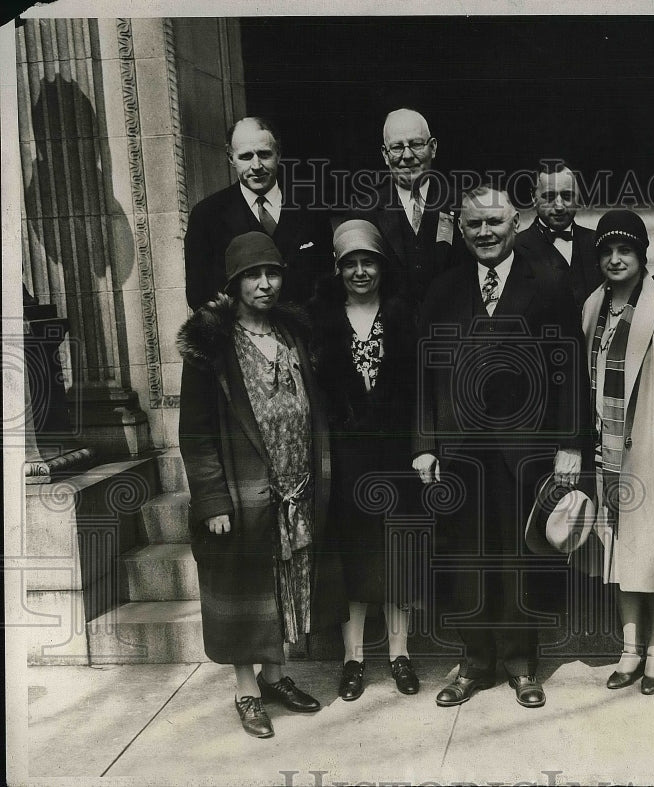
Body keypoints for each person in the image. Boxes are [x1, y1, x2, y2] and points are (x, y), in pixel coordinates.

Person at [413, 185, 589, 709]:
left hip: (525, 450)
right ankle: (474, 662)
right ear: (461, 230)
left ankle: (520, 663)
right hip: (461, 451)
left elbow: (570, 371)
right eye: (474, 225)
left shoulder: (551, 284)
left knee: (518, 556)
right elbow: (425, 372)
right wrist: (425, 444)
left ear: (516, 224)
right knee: (465, 556)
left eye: (494, 223)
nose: (484, 233)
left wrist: (571, 443)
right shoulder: (443, 290)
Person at [177, 231, 347, 737]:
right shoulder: (212, 346)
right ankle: (246, 690)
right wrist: (212, 500)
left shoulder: (295, 334)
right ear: (234, 284)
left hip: (297, 488)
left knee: (287, 587)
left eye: (272, 273)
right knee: (246, 590)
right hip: (244, 494)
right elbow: (196, 432)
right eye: (253, 275)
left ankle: (277, 678)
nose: (265, 284)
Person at [581, 210, 654, 696]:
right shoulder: (593, 304)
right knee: (621, 551)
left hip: (651, 448)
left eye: (624, 250)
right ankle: (629, 647)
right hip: (607, 451)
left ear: (642, 255)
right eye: (607, 251)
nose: (615, 259)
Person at [309, 219, 421, 700]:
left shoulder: (404, 315)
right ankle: (353, 659)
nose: (360, 271)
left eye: (367, 261)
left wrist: (421, 447)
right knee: (352, 559)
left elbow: (421, 391)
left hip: (397, 455)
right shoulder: (319, 320)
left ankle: (401, 654)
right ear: (337, 268)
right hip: (347, 456)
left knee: (399, 557)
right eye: (350, 263)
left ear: (381, 264)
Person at [184, 116, 332, 309]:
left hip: (305, 334)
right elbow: (199, 295)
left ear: (278, 154)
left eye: (264, 154)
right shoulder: (207, 215)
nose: (256, 166)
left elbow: (327, 281)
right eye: (246, 156)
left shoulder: (311, 208)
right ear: (231, 158)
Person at [356, 108, 462, 305]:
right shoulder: (364, 214)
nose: (407, 155)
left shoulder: (461, 204)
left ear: (433, 147)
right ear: (385, 155)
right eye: (397, 147)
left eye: (415, 144)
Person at [514, 160, 602, 311]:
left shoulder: (598, 242)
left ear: (578, 197)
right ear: (534, 198)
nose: (559, 206)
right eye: (549, 197)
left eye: (567, 196)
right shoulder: (515, 248)